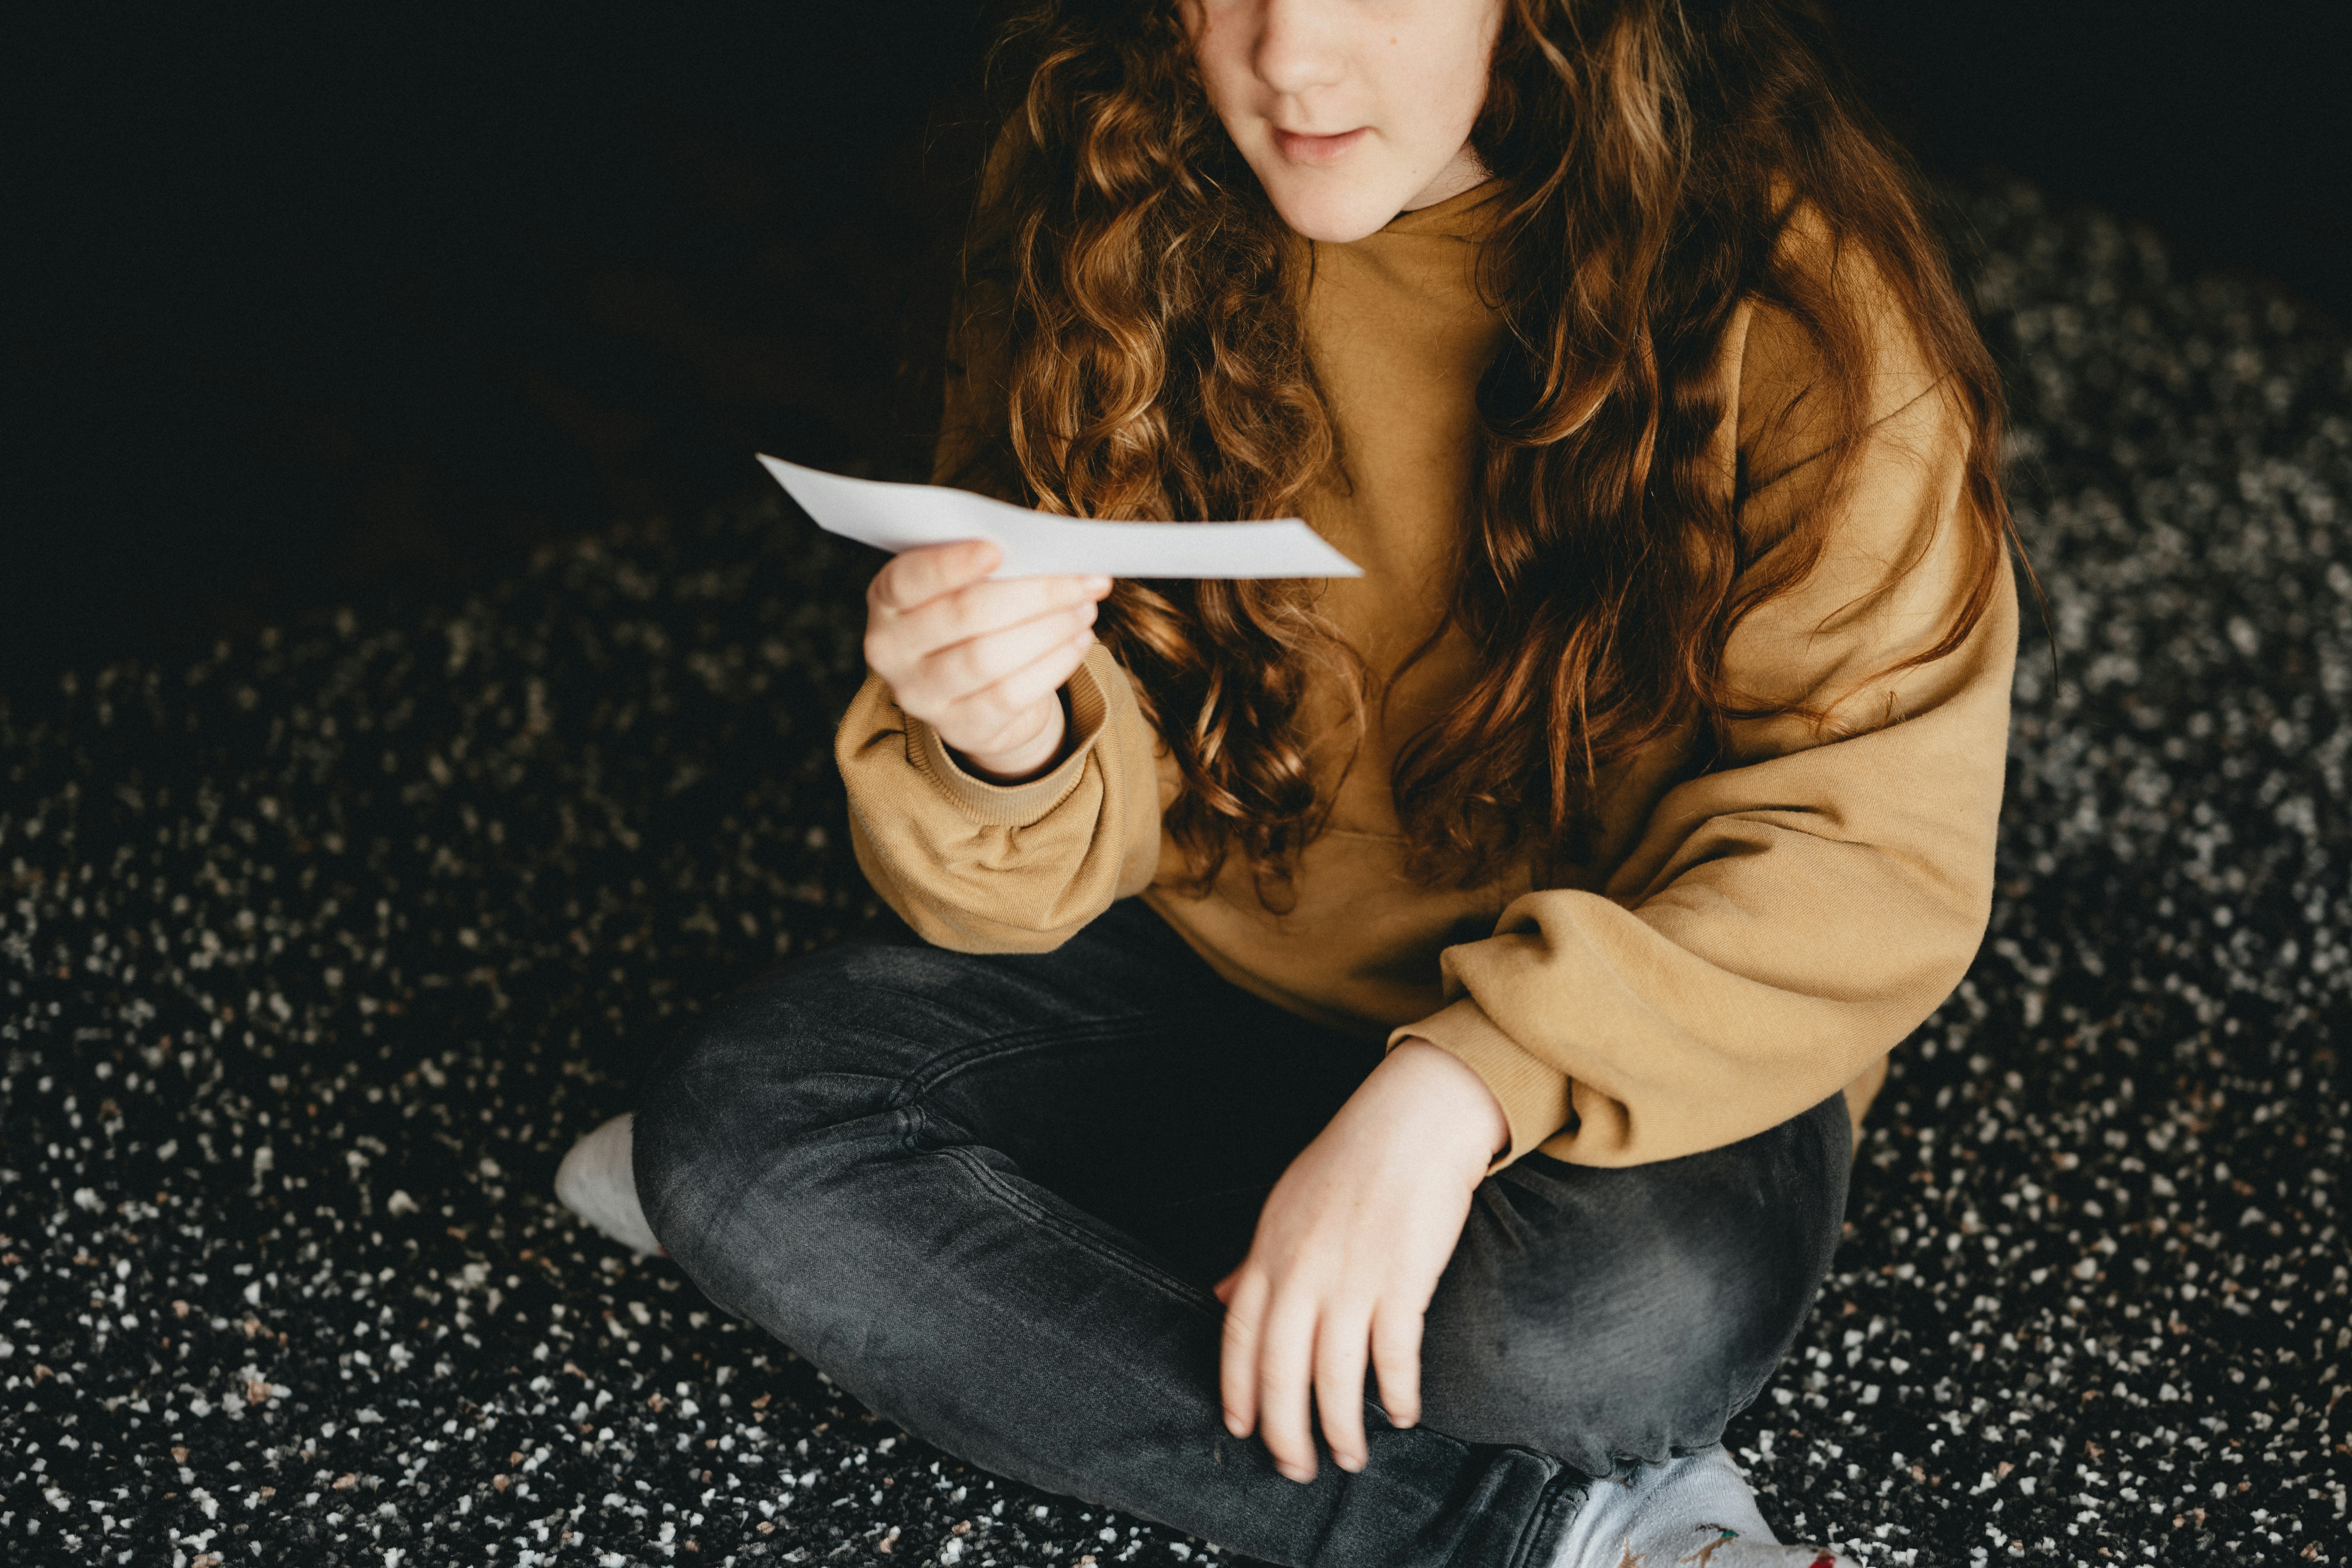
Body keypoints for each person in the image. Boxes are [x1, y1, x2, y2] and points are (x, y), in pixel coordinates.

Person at [557, 0, 2018, 1562]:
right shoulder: (1106, 197)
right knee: (735, 1138)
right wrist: (1010, 736)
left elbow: (1868, 855)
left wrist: (1454, 1091)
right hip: (1213, 969)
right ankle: (1543, 1535)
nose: (1288, 59)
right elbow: (1049, 851)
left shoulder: (1791, 305)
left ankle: (1042, 1265)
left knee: (1573, 1341)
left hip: (1636, 1040)